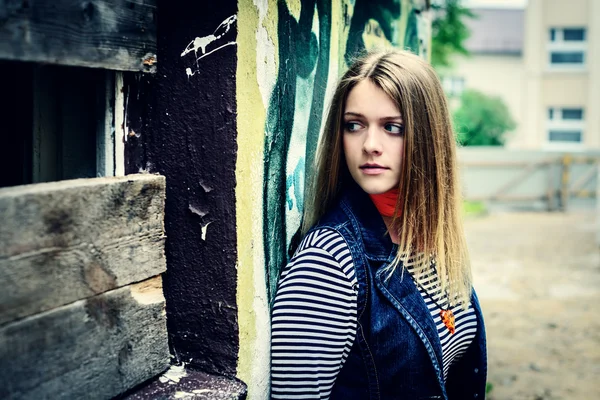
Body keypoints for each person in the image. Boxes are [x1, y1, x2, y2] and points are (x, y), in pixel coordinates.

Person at [270, 49, 487, 399]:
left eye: (392, 127)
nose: (370, 145)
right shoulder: (328, 262)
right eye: (354, 125)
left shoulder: (432, 240)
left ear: (429, 139)